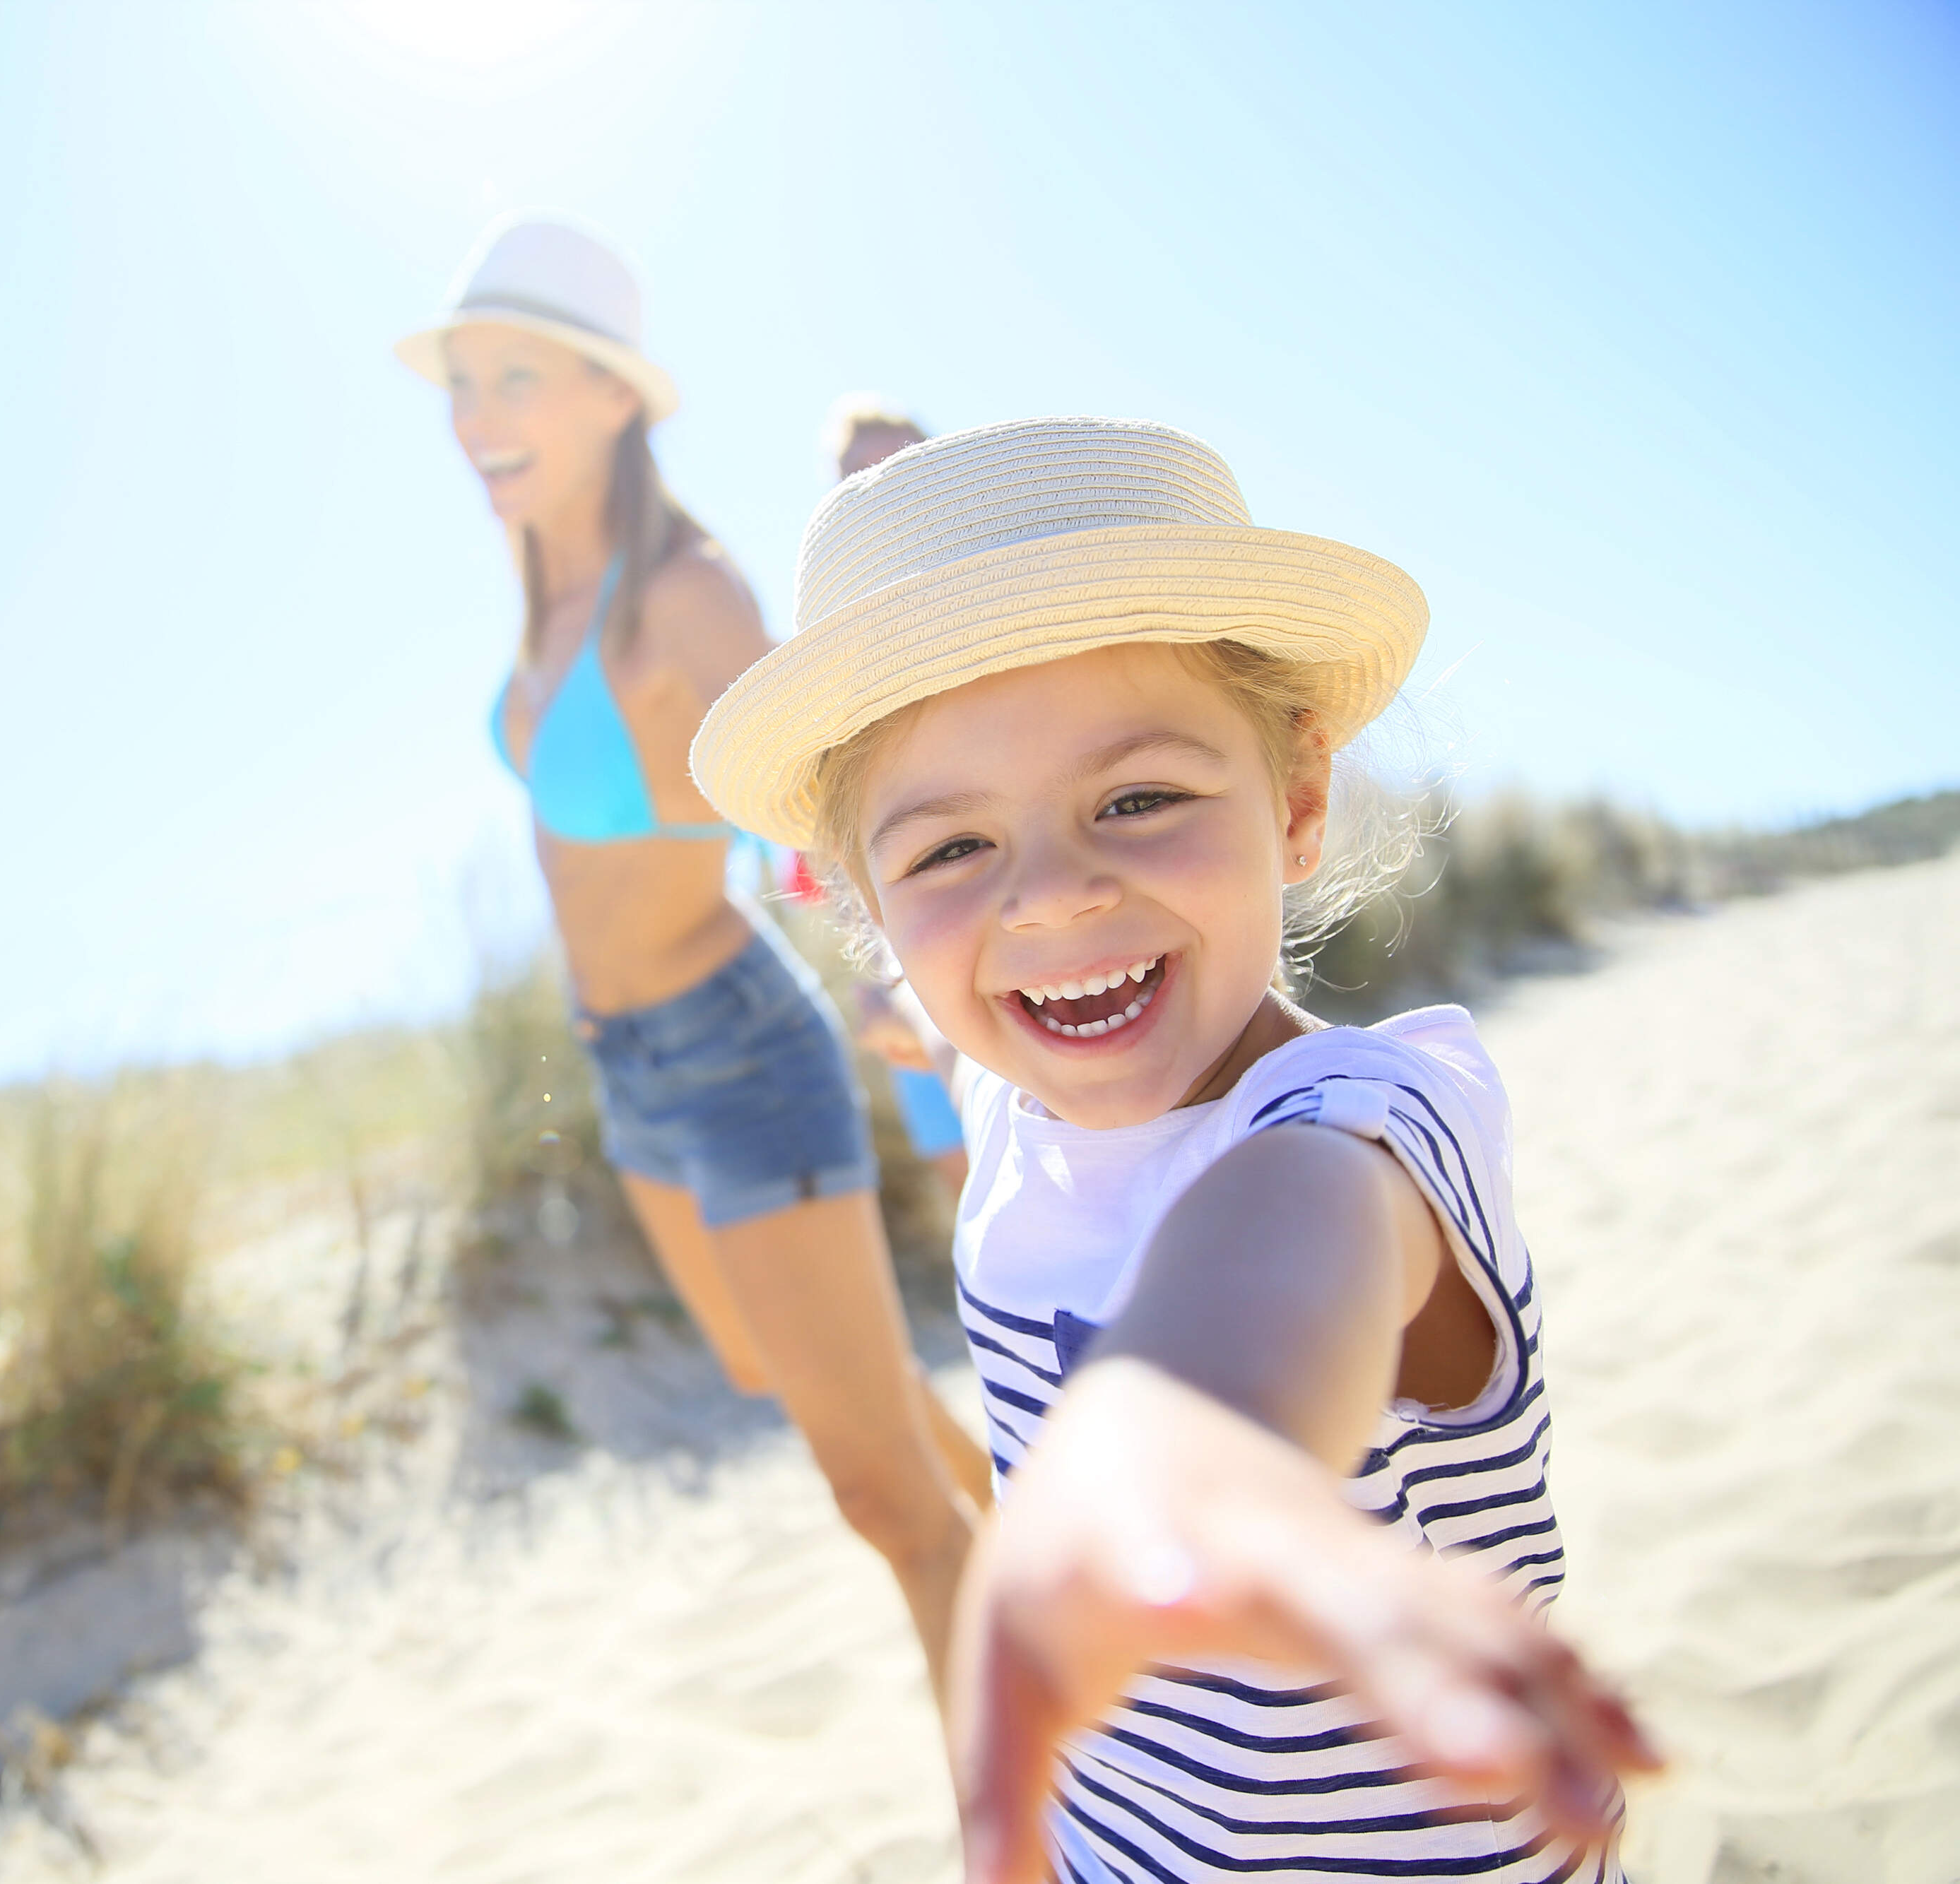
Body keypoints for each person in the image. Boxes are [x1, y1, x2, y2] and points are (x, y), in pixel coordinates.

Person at [689, 418, 1658, 1880]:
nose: (1052, 901)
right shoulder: (997, 1070)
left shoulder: (1362, 1122)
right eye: (948, 849)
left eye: (1134, 799)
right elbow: (931, 1002)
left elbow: (1278, 1263)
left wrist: (1181, 1447)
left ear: (1296, 799)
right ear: (869, 905)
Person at [396, 215, 991, 1689]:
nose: (475, 419)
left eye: (514, 379)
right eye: (460, 383)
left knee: (884, 1509)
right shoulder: (546, 586)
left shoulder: (683, 592)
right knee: (762, 1366)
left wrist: (917, 978)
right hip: (628, 1062)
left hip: (735, 1041)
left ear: (613, 396)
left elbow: (819, 805)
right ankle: (1035, 1532)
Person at [820, 396, 969, 1195]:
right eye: (857, 479)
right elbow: (829, 852)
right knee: (972, 1177)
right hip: (909, 962)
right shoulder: (829, 670)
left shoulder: (1007, 600)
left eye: (899, 465)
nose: (880, 488)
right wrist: (878, 976)